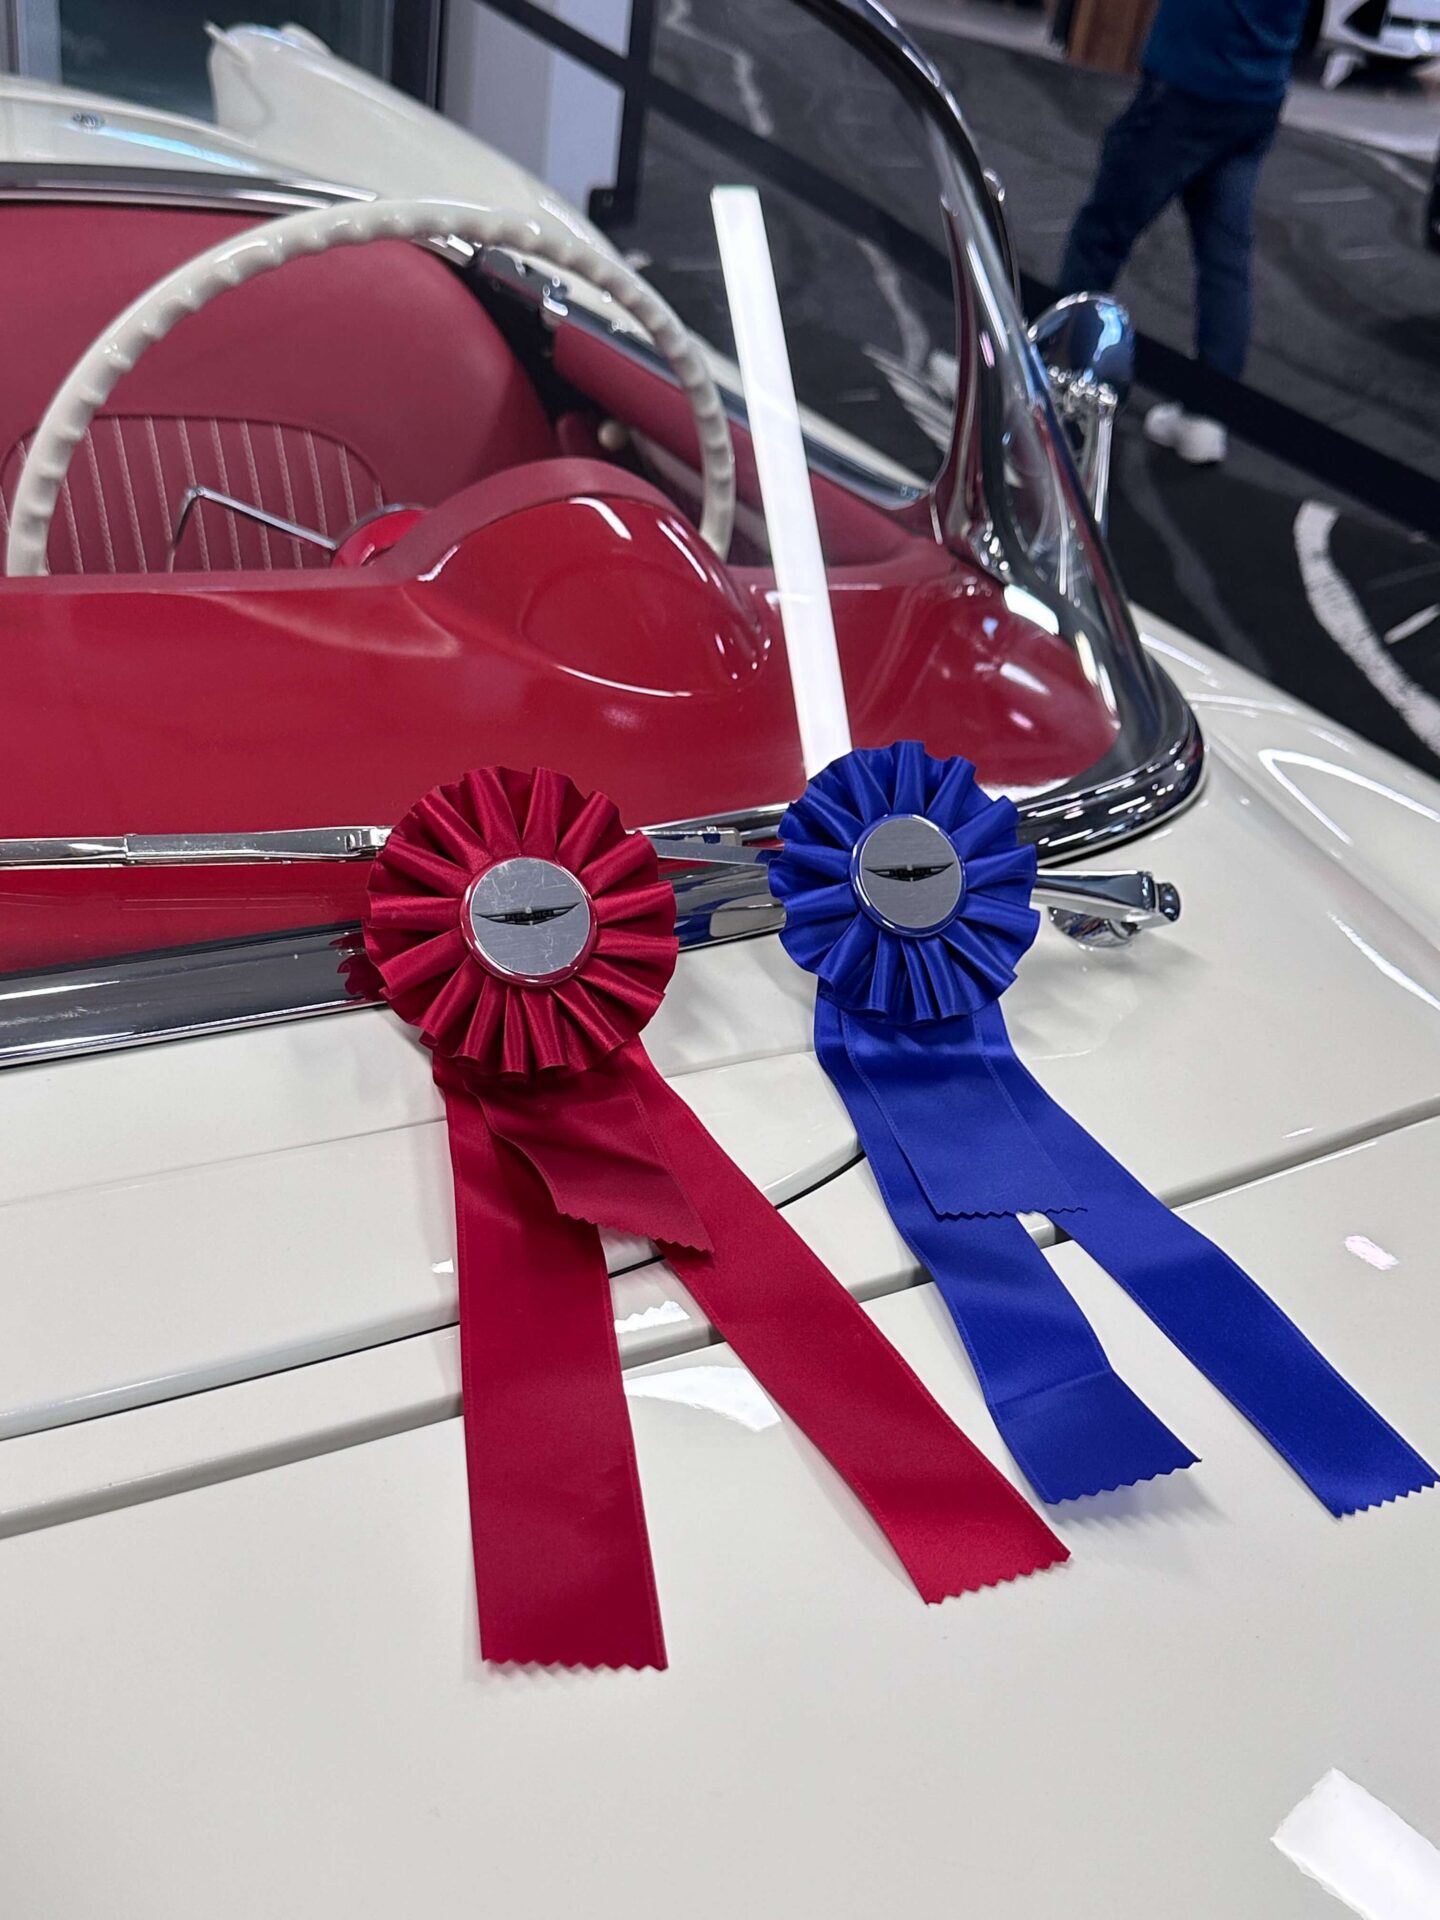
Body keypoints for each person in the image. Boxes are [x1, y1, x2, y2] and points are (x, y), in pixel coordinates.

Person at [1058, 0, 1311, 465]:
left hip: (1189, 87)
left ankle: (1040, 381)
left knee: (1101, 235)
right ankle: (1206, 415)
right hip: (1255, 93)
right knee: (1225, 259)